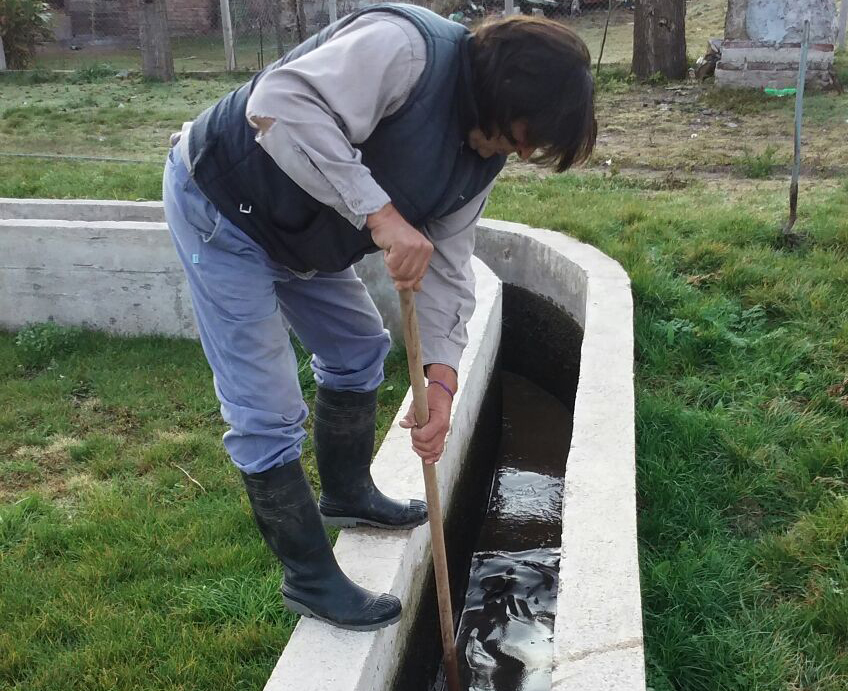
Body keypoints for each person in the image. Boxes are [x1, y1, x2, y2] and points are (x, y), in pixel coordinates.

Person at [162, 2, 596, 632]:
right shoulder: (404, 50)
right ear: (502, 93)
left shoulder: (482, 155)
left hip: (304, 237)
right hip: (224, 208)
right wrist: (381, 215)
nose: (513, 152)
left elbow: (450, 267)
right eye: (516, 136)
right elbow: (279, 104)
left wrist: (442, 381)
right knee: (267, 408)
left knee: (360, 348)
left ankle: (347, 493)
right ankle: (310, 578)